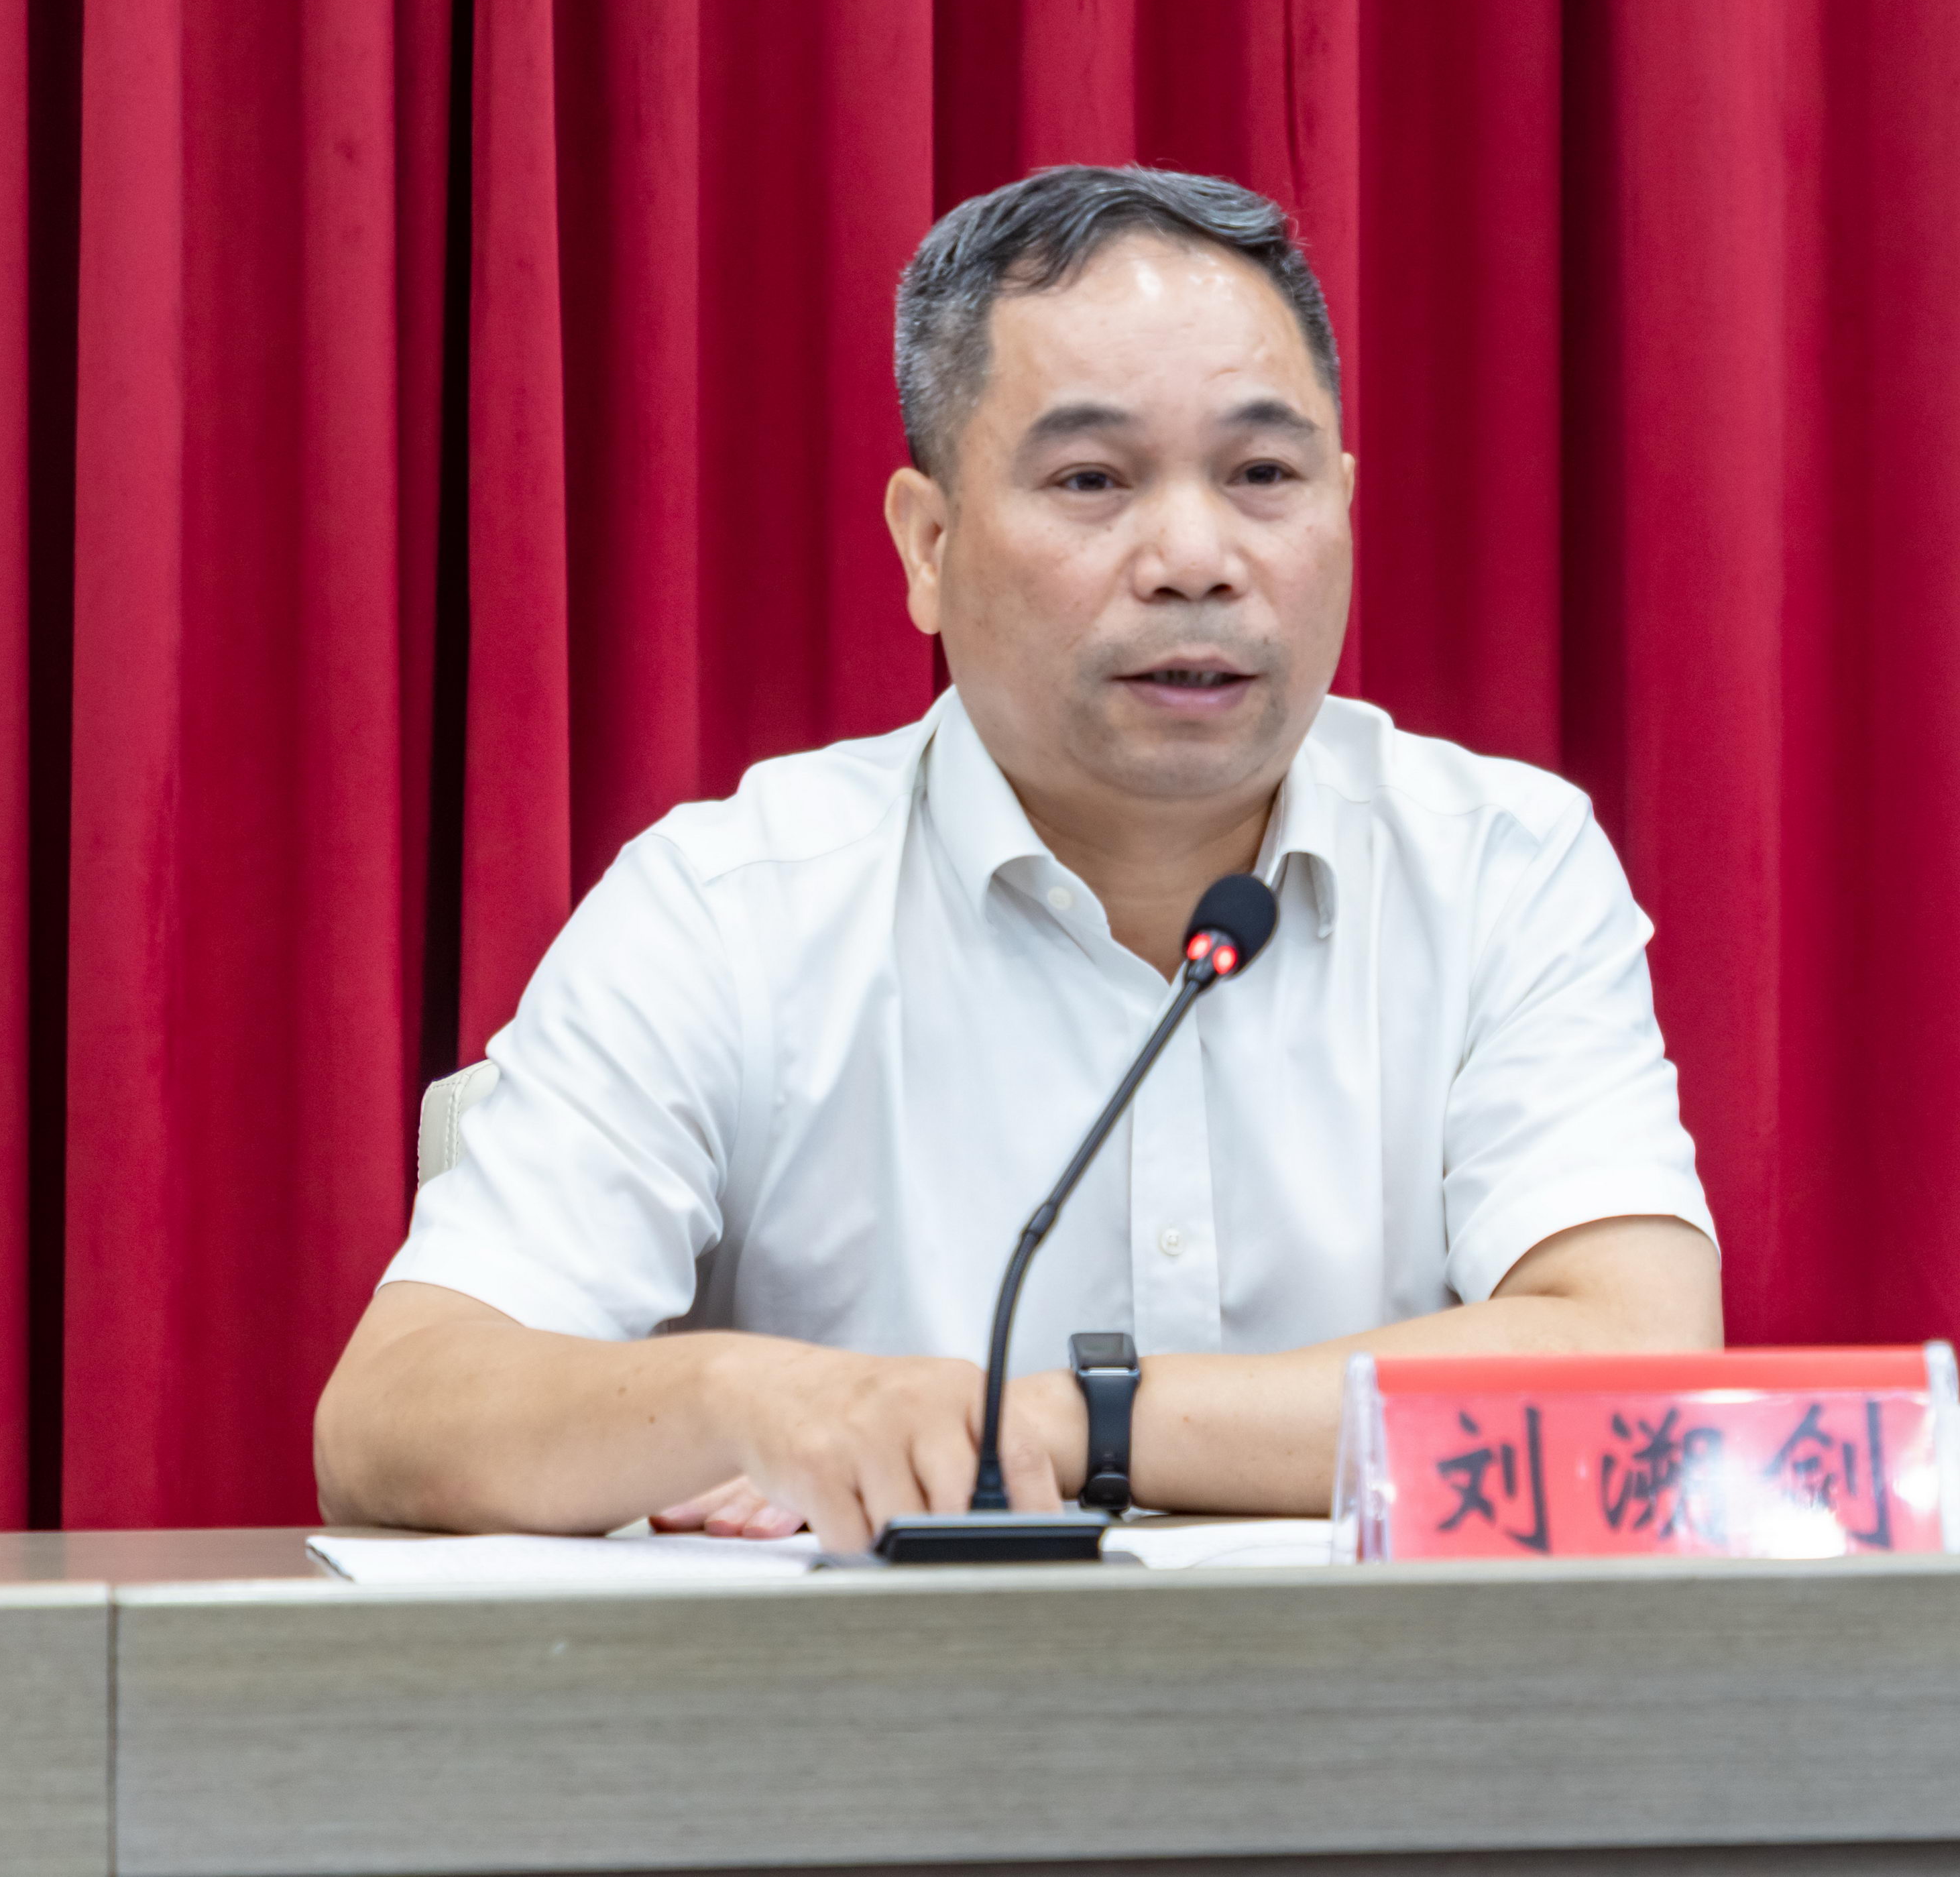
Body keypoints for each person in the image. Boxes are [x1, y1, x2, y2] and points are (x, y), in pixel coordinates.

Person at [314, 165, 1721, 1552]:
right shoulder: (730, 907)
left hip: (1383, 1700)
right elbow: (390, 1417)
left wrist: (1054, 1423)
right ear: (929, 545)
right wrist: (760, 1397)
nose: (1195, 556)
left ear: (1343, 509)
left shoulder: (1500, 866)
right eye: (1092, 478)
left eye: (1263, 475)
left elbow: (1640, 1374)